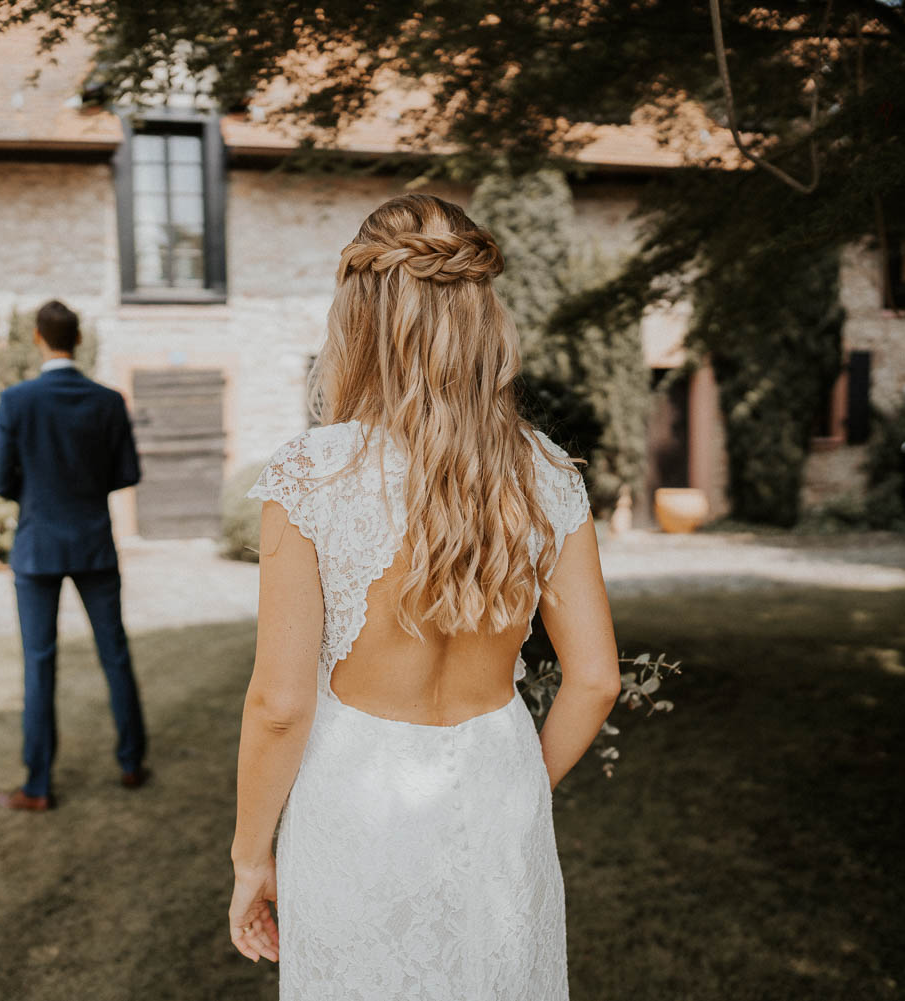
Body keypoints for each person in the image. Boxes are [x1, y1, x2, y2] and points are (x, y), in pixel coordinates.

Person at [227, 194, 622, 999]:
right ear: (482, 315)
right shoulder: (544, 472)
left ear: (360, 318)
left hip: (354, 809)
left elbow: (278, 702)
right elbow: (595, 679)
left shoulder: (316, 474)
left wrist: (249, 856)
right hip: (498, 794)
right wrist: (521, 785)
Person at [0, 299, 149, 811]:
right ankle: (131, 762)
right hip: (94, 543)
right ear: (77, 340)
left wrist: (38, 495)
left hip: (37, 548)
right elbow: (128, 474)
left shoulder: (17, 400)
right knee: (114, 654)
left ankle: (37, 785)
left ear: (38, 338)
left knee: (39, 663)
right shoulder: (107, 401)